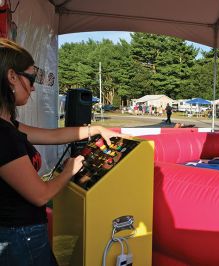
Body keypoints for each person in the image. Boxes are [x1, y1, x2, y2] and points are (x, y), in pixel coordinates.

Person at [0, 38, 125, 265]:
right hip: (19, 236)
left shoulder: (9, 125)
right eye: (30, 78)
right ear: (11, 77)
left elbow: (51, 135)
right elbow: (40, 195)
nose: (34, 86)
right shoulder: (3, 134)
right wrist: (69, 170)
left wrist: (96, 129)